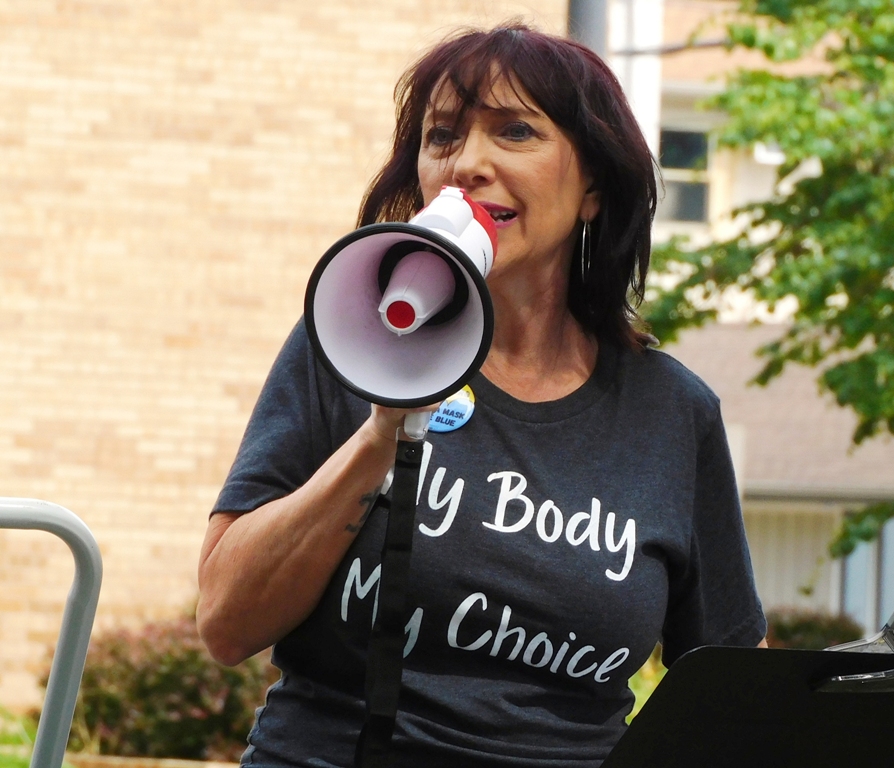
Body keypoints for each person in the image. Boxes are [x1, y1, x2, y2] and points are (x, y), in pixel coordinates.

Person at [196, 24, 766, 768]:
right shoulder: (348, 345)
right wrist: (381, 434)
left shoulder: (671, 413)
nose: (467, 163)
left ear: (593, 189)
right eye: (442, 136)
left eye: (515, 131)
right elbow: (227, 624)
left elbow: (734, 691)